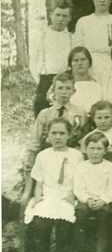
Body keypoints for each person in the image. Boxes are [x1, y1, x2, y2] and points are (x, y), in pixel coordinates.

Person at [22, 118, 83, 252]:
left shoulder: (76, 155)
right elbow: (39, 181)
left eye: (62, 133)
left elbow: (81, 179)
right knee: (41, 219)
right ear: (47, 135)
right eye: (53, 133)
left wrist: (73, 194)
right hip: (47, 194)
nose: (58, 137)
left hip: (67, 195)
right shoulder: (43, 155)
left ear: (69, 135)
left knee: (65, 220)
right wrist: (37, 198)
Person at [22, 73, 85, 205]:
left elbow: (83, 137)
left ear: (73, 91)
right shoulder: (45, 113)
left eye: (68, 88)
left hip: (71, 157)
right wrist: (29, 158)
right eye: (60, 88)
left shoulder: (80, 113)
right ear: (54, 90)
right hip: (49, 155)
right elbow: (35, 139)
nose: (63, 92)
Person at [73, 131, 112, 252]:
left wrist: (103, 200)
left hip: (102, 201)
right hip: (85, 200)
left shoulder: (109, 167)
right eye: (91, 148)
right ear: (85, 150)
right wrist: (87, 199)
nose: (95, 152)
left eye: (99, 149)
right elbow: (78, 188)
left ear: (105, 151)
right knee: (79, 215)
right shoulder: (81, 166)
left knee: (104, 217)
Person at [30, 0, 73, 116]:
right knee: (42, 115)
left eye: (64, 16)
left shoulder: (72, 38)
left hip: (65, 82)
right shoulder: (41, 37)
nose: (60, 19)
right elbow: (32, 64)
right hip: (45, 81)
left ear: (69, 18)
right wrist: (41, 83)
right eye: (57, 15)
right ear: (50, 15)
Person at [67, 46, 103, 115]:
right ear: (71, 64)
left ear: (89, 63)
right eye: (76, 60)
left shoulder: (96, 85)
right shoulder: (67, 85)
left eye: (83, 59)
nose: (80, 63)